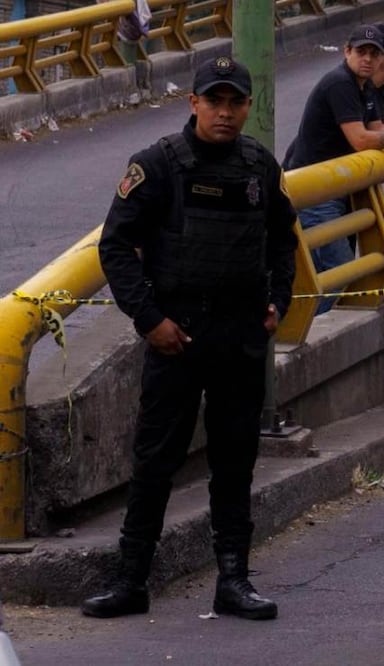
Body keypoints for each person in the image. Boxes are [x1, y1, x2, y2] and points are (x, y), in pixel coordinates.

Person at [84, 56, 298, 621]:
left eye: (235, 103)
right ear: (194, 103)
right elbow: (115, 247)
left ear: (248, 107)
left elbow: (283, 238)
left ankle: (235, 580)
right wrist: (149, 319)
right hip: (175, 333)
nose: (225, 113)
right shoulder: (156, 165)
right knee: (156, 460)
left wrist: (278, 300)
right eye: (214, 101)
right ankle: (130, 581)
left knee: (235, 460)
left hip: (239, 334)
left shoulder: (258, 167)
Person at [284, 24, 384, 284]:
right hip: (316, 193)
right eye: (362, 52)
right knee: (337, 275)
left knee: (341, 272)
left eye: (374, 54)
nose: (368, 59)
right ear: (347, 52)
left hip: (341, 187)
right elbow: (361, 140)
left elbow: (380, 128)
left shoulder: (365, 86)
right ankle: (321, 325)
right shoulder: (340, 83)